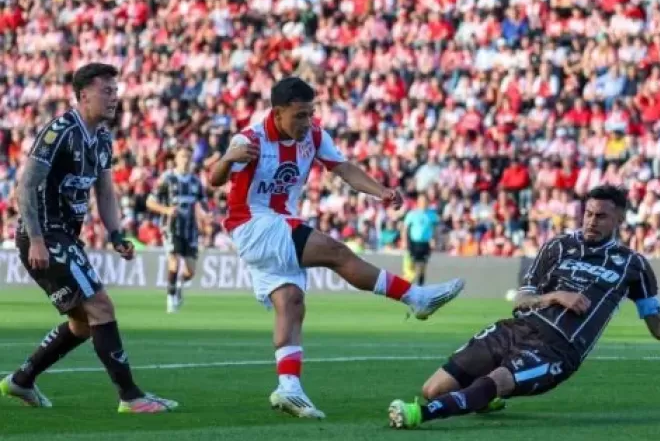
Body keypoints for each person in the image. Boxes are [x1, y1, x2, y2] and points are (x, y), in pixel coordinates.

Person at [209, 77, 464, 419]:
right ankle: (415, 297)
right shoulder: (251, 138)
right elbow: (214, 177)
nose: (307, 122)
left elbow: (344, 169)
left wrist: (380, 191)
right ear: (278, 112)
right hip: (254, 224)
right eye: (299, 115)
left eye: (310, 114)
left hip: (276, 225)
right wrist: (229, 158)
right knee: (336, 253)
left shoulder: (314, 136)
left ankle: (289, 388)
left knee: (291, 302)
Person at [387, 185, 660, 429]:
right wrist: (555, 297)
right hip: (516, 330)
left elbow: (659, 325)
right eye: (587, 213)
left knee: (489, 382)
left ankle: (421, 415)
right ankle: (482, 398)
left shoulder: (633, 264)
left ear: (619, 220)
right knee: (433, 388)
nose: (590, 221)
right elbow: (521, 300)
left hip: (556, 350)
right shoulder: (558, 246)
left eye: (600, 216)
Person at [0, 63, 177, 414]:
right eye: (106, 91)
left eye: (116, 90)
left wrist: (116, 234)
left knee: (81, 324)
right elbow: (26, 187)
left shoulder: (102, 138)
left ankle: (21, 380)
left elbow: (105, 193)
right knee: (101, 306)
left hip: (64, 237)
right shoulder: (60, 132)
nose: (114, 97)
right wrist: (36, 238)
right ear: (84, 95)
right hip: (46, 236)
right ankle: (131, 396)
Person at [146, 147, 209, 313]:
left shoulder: (196, 182)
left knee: (191, 271)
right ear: (176, 159)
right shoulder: (167, 178)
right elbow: (150, 202)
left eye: (188, 156)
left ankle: (179, 285)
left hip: (191, 230)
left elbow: (203, 205)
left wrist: (205, 216)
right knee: (173, 261)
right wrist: (166, 210)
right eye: (182, 156)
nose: (186, 159)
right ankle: (171, 298)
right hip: (171, 227)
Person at [403, 194, 439, 285]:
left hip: (425, 244)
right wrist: (405, 242)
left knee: (423, 267)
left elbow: (435, 229)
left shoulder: (432, 215)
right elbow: (405, 229)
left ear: (428, 202)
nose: (423, 203)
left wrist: (434, 239)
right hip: (413, 243)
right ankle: (407, 288)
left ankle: (420, 287)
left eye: (425, 201)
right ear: (418, 202)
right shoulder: (412, 214)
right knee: (411, 269)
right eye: (421, 201)